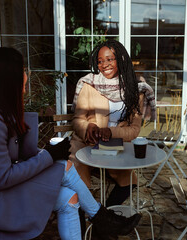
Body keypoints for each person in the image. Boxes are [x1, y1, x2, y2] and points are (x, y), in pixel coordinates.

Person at [0, 47, 141, 240]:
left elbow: (15, 158)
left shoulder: (1, 116)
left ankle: (102, 219)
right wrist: (49, 155)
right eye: (22, 71)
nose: (27, 76)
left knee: (69, 197)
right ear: (8, 80)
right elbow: (3, 178)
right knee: (63, 166)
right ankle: (103, 219)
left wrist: (47, 153)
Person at [69, 40, 155, 236]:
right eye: (100, 61)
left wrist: (111, 132)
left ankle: (102, 222)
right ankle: (88, 230)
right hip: (86, 144)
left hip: (115, 146)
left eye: (109, 59)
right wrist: (88, 126)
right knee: (76, 183)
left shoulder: (135, 88)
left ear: (121, 59)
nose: (104, 64)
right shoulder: (88, 84)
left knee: (129, 182)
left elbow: (134, 130)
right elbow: (78, 119)